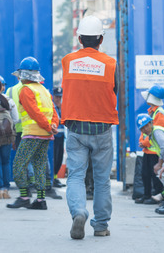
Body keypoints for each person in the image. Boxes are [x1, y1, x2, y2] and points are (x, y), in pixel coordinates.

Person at [61, 15, 118, 239]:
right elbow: (117, 92)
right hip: (102, 127)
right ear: (101, 39)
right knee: (102, 179)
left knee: (75, 176)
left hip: (75, 127)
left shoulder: (67, 61)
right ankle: (101, 225)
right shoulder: (111, 64)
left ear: (80, 38)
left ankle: (79, 212)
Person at [7, 57, 59, 210]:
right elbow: (53, 111)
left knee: (18, 165)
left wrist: (48, 126)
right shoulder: (44, 90)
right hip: (46, 135)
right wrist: (53, 126)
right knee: (40, 166)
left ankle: (24, 196)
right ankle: (40, 201)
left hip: (32, 134)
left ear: (24, 76)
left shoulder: (26, 90)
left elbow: (34, 112)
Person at [136, 114, 164, 205]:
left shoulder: (156, 132)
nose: (145, 129)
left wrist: (160, 164)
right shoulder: (153, 134)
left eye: (146, 126)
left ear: (151, 123)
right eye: (142, 128)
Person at [52, 87, 66, 188]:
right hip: (54, 136)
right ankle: (51, 178)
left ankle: (55, 177)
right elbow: (60, 120)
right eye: (57, 97)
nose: (58, 99)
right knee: (54, 157)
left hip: (61, 136)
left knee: (59, 158)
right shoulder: (52, 106)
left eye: (60, 97)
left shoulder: (62, 107)